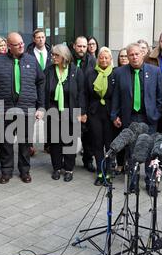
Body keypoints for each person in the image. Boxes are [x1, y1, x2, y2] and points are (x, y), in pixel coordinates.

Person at [0, 32, 45, 184]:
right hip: (4, 108)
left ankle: (24, 171)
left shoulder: (31, 61)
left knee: (25, 142)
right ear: (8, 46)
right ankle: (6, 172)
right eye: (17, 44)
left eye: (21, 43)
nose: (21, 46)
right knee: (6, 142)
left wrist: (41, 106)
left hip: (27, 108)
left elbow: (41, 82)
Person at [111, 43, 162, 191]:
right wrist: (114, 115)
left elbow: (161, 96)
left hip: (149, 118)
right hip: (130, 118)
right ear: (127, 57)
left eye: (137, 54)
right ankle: (132, 181)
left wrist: (157, 114)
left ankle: (150, 181)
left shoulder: (154, 72)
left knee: (149, 151)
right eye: (131, 55)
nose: (134, 57)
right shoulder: (119, 72)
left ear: (143, 54)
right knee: (131, 151)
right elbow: (115, 96)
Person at [44, 44, 86, 182]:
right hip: (53, 112)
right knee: (55, 142)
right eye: (52, 55)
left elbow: (81, 94)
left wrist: (82, 112)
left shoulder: (76, 71)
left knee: (69, 142)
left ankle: (68, 169)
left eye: (56, 55)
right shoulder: (49, 71)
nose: (53, 57)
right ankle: (56, 167)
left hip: (71, 111)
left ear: (64, 56)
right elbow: (44, 92)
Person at [85, 47, 115, 186]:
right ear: (98, 59)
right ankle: (100, 172)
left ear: (110, 59)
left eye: (106, 58)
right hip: (94, 113)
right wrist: (84, 113)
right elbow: (85, 94)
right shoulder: (91, 73)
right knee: (97, 144)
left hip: (110, 114)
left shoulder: (115, 74)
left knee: (109, 145)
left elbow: (118, 96)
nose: (103, 60)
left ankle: (108, 173)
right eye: (101, 57)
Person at [71, 36, 97, 173]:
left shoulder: (93, 61)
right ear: (74, 46)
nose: (82, 49)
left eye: (84, 46)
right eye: (79, 46)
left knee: (88, 135)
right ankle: (69, 160)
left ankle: (88, 160)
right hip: (71, 102)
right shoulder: (68, 59)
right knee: (70, 133)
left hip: (87, 103)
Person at [26, 28, 53, 156]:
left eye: (43, 37)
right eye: (38, 37)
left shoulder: (52, 53)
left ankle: (48, 144)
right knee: (30, 117)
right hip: (33, 89)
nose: (41, 39)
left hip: (48, 90)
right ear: (34, 39)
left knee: (48, 116)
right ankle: (29, 145)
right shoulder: (28, 54)